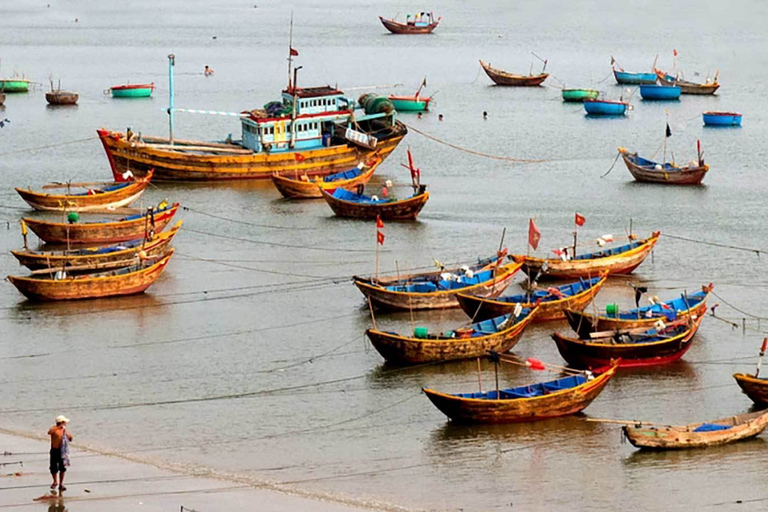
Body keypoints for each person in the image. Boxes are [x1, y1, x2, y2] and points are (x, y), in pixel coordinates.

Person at [48, 416, 72, 491]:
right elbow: (49, 432)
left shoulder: (65, 430)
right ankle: (55, 481)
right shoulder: (54, 428)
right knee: (53, 467)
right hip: (54, 450)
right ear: (61, 422)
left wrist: (68, 436)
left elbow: (71, 438)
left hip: (62, 451)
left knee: (62, 468)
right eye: (64, 422)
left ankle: (61, 484)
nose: (65, 424)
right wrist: (59, 427)